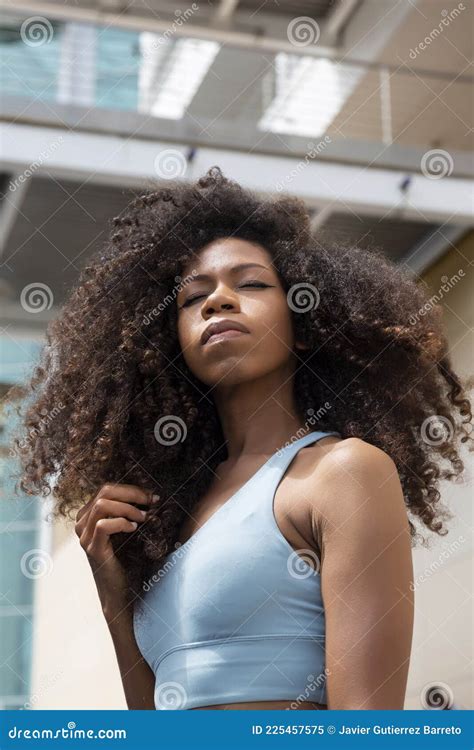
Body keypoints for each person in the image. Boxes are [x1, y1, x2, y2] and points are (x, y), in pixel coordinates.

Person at [11, 167, 472, 710]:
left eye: (250, 284)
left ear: (303, 325)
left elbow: (366, 728)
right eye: (192, 298)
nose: (218, 301)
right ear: (171, 342)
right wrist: (115, 595)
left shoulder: (344, 472)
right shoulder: (170, 516)